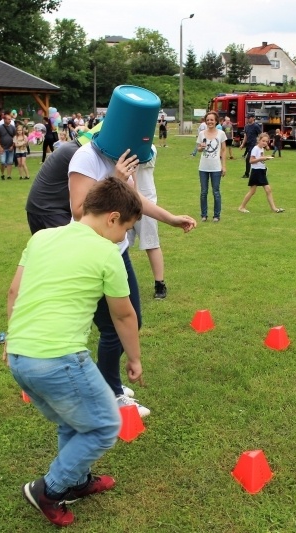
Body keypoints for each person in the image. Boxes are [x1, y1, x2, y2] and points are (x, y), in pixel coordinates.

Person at [8, 177, 144, 527]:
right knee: (105, 426)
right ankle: (50, 489)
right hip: (59, 359)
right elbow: (123, 315)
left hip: (20, 357)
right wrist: (134, 358)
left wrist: (12, 342)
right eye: (125, 230)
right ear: (112, 218)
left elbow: (14, 293)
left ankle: (77, 481)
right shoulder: (107, 253)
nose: (123, 238)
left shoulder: (41, 237)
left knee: (73, 419)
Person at [68, 140, 196, 418]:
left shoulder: (126, 155)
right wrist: (115, 178)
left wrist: (170, 219)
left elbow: (132, 200)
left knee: (131, 320)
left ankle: (105, 382)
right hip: (92, 255)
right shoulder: (86, 157)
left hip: (115, 252)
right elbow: (79, 210)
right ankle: (110, 393)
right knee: (114, 326)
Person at [130, 145, 168, 299]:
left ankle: (160, 284)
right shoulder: (120, 144)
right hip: (122, 200)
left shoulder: (149, 147)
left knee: (151, 243)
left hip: (146, 203)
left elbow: (144, 160)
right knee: (118, 246)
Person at [238, 133, 284, 213]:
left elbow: (261, 158)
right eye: (263, 141)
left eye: (266, 141)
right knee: (253, 191)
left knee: (267, 190)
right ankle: (241, 207)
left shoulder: (261, 149)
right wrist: (261, 158)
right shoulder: (255, 149)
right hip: (256, 172)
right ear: (259, 140)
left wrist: (266, 157)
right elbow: (251, 161)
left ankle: (274, 208)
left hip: (261, 171)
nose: (265, 143)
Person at [197, 111, 227, 223]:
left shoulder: (221, 133)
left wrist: (224, 166)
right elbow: (198, 149)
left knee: (216, 192)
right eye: (208, 120)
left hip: (216, 167)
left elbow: (223, 150)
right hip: (203, 167)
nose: (210, 122)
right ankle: (204, 215)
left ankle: (216, 215)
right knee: (203, 192)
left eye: (212, 120)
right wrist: (201, 148)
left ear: (216, 121)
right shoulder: (202, 134)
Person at [0, 113, 16, 180]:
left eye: (10, 119)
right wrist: (0, 147)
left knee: (10, 162)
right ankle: (2, 174)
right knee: (2, 162)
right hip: (2, 148)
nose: (10, 120)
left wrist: (12, 146)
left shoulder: (13, 127)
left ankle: (9, 175)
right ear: (4, 119)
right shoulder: (0, 128)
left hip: (10, 147)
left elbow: (15, 138)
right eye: (8, 119)